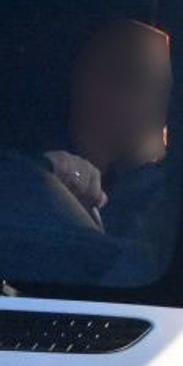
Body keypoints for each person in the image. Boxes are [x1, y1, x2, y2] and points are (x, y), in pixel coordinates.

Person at [41, 19, 175, 247]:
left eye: (125, 79)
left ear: (167, 105)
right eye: (90, 70)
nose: (96, 90)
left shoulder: (171, 206)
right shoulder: (34, 173)